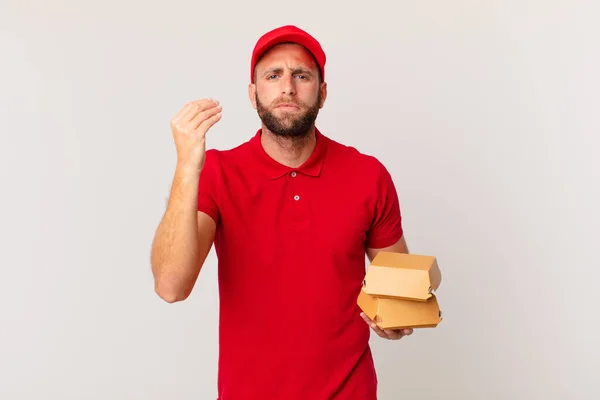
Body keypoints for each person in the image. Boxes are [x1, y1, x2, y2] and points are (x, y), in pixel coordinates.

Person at [151, 25, 413, 400]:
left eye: (301, 75)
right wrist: (186, 168)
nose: (287, 87)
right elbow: (171, 286)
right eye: (273, 75)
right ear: (253, 92)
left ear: (322, 94)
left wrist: (398, 317)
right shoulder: (217, 172)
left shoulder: (368, 175)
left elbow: (401, 295)